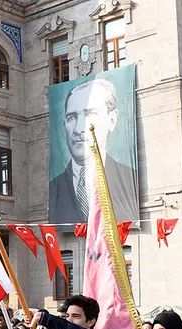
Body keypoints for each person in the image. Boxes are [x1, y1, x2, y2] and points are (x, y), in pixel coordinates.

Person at [49, 78, 137, 224]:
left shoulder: (130, 177)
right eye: (71, 117)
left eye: (90, 114)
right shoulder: (53, 188)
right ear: (64, 124)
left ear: (112, 120)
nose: (78, 129)